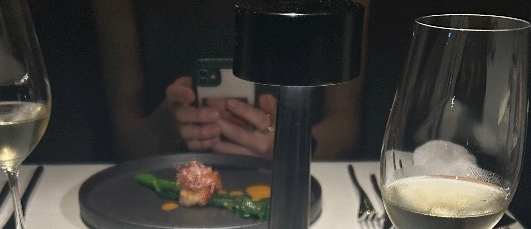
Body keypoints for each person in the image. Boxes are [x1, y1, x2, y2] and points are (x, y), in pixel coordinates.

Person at [90, 0, 370, 161]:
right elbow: (124, 140)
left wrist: (291, 147)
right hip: (170, 182)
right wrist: (166, 128)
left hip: (301, 189)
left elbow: (344, 128)